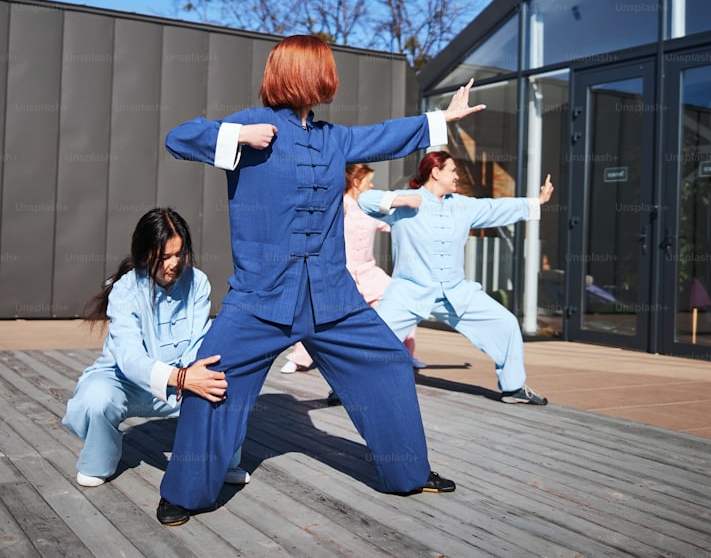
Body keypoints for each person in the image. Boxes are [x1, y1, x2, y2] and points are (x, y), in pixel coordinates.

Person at [155, 35, 484, 526]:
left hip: (334, 298)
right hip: (261, 298)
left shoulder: (334, 139)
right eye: (324, 68)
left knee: (390, 364)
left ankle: (408, 473)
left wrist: (442, 120)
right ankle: (184, 491)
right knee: (212, 378)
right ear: (304, 73)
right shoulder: (250, 125)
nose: (331, 77)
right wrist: (238, 138)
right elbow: (179, 137)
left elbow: (384, 135)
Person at [61, 207, 250, 488]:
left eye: (179, 253)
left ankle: (219, 462)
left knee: (225, 385)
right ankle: (99, 460)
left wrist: (192, 377)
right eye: (164, 257)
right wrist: (180, 378)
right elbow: (129, 358)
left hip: (181, 381)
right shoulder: (125, 290)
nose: (173, 263)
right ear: (144, 254)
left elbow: (199, 342)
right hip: (126, 382)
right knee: (96, 398)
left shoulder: (197, 283)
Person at [358, 151, 555, 405]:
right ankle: (347, 387)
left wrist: (535, 202)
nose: (457, 176)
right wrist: (401, 200)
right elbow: (364, 200)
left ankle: (513, 387)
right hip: (409, 292)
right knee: (375, 340)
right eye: (453, 170)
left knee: (505, 323)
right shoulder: (405, 204)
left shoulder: (463, 205)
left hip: (455, 292)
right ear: (436, 172)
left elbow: (495, 207)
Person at [282, 163, 423, 379]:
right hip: (340, 274)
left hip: (369, 273)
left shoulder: (372, 210)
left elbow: (392, 224)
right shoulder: (338, 205)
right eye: (369, 182)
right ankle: (299, 358)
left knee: (403, 301)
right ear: (356, 183)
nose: (373, 185)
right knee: (318, 314)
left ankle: (404, 354)